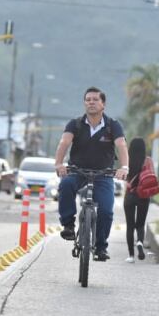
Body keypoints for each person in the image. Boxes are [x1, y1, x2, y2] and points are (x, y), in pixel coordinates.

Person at [54, 87, 129, 261]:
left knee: (106, 211)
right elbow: (64, 143)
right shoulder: (75, 124)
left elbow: (121, 145)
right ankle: (68, 225)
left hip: (103, 174)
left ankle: (101, 247)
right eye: (88, 99)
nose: (91, 102)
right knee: (65, 185)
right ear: (84, 103)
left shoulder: (112, 125)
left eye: (95, 99)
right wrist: (59, 164)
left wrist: (124, 167)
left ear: (103, 104)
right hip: (77, 170)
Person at [123, 138, 152, 263]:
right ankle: (140, 242)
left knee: (130, 225)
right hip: (144, 195)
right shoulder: (148, 160)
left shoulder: (127, 160)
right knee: (140, 224)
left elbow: (124, 177)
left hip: (130, 195)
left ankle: (131, 255)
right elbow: (152, 176)